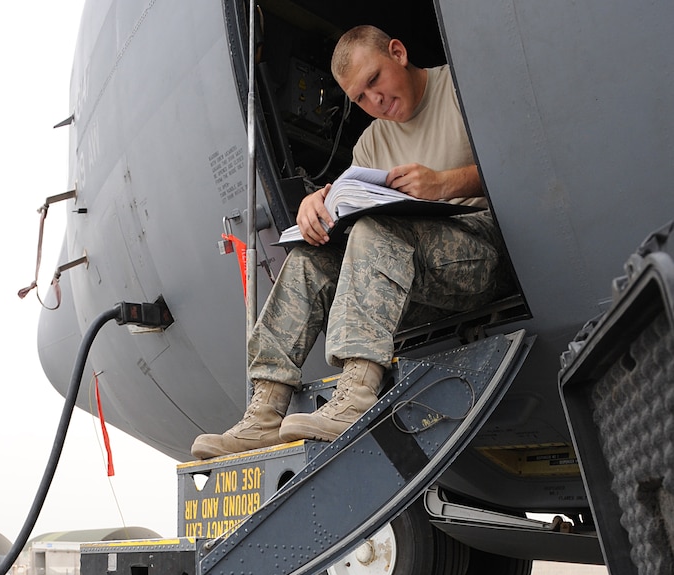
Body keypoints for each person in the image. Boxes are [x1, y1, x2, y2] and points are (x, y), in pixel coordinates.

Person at [191, 25, 510, 460]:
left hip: (483, 255)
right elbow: (353, 208)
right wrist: (316, 208)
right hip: (412, 280)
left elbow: (522, 157)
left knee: (375, 230)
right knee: (309, 254)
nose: (373, 101)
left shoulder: (460, 86)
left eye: (375, 80)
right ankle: (265, 410)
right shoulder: (372, 142)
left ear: (398, 52)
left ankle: (357, 393)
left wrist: (445, 183)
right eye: (359, 97)